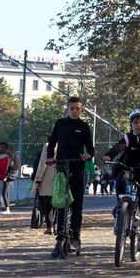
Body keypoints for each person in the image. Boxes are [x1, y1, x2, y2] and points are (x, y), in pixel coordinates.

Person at [103, 108, 140, 253]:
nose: (139, 125)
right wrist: (108, 156)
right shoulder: (129, 137)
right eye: (135, 122)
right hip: (130, 169)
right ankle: (120, 204)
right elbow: (119, 147)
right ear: (132, 125)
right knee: (120, 178)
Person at [46, 96, 95, 257]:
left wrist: (87, 155)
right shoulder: (60, 124)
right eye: (72, 108)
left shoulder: (84, 126)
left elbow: (91, 148)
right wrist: (49, 156)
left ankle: (75, 237)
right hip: (61, 166)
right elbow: (52, 142)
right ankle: (60, 237)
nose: (74, 111)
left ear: (81, 110)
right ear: (67, 108)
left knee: (77, 205)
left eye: (78, 109)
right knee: (61, 203)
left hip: (77, 167)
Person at [33, 141, 55, 234]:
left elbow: (43, 163)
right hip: (61, 178)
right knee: (59, 205)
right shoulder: (67, 143)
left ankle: (50, 227)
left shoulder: (47, 145)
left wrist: (38, 179)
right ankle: (58, 225)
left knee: (47, 204)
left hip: (47, 179)